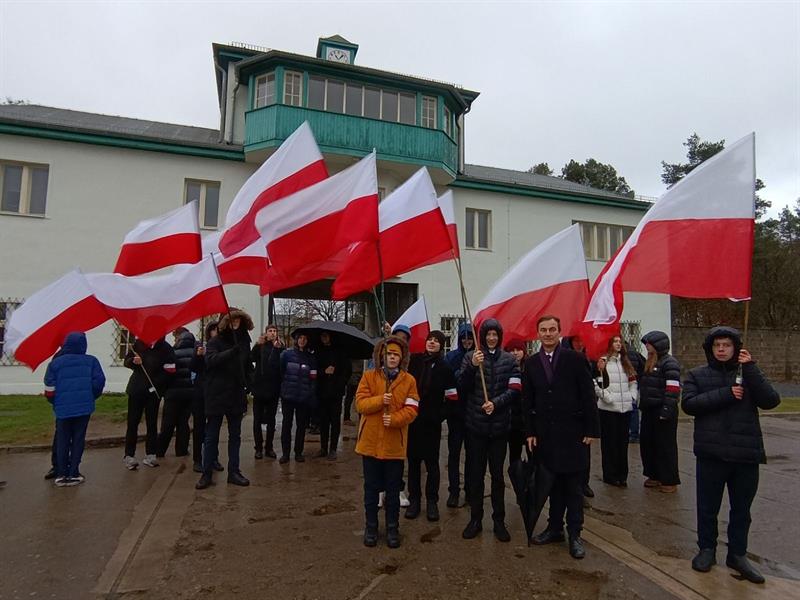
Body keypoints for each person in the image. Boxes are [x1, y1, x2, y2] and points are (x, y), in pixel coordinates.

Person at [682, 326, 780, 584]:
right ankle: (707, 549)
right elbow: (689, 404)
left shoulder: (748, 374)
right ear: (710, 349)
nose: (722, 349)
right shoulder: (697, 375)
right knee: (707, 507)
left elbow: (771, 400)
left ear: (736, 348)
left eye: (727, 345)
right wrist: (725, 394)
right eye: (717, 345)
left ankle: (737, 554)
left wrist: (751, 369)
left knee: (741, 510)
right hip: (712, 454)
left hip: (745, 455)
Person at [525, 315, 599, 559]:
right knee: (553, 485)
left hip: (573, 434)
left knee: (573, 487)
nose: (548, 334)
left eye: (552, 329)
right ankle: (554, 528)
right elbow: (528, 400)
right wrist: (530, 431)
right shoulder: (532, 363)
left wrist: (591, 429)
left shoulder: (575, 359)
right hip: (545, 435)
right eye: (543, 330)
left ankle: (575, 533)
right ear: (538, 333)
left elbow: (588, 395)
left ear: (559, 332)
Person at [459, 318, 521, 543]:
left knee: (497, 476)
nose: (491, 338)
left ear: (499, 336)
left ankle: (498, 521)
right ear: (483, 336)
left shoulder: (509, 360)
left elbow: (515, 389)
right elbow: (462, 386)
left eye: (495, 334)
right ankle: (475, 519)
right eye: (488, 334)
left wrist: (496, 403)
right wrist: (472, 367)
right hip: (476, 428)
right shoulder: (471, 357)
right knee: (476, 476)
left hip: (499, 428)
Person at [355, 336, 419, 548]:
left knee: (393, 491)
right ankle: (371, 527)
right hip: (370, 444)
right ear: (382, 357)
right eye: (389, 354)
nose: (392, 358)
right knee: (371, 490)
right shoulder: (368, 377)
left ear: (401, 359)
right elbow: (360, 404)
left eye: (396, 355)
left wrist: (395, 419)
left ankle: (393, 528)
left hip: (394, 446)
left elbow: (412, 409)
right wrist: (379, 400)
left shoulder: (409, 381)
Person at [196, 309, 253, 489]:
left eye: (238, 320)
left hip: (236, 394)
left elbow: (247, 365)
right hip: (217, 393)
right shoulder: (215, 341)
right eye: (232, 320)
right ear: (225, 323)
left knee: (235, 435)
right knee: (211, 435)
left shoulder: (244, 342)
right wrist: (231, 352)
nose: (235, 323)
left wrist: (250, 383)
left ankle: (234, 472)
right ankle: (206, 473)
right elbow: (211, 361)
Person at [406, 330, 458, 522]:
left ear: (441, 345)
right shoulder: (415, 361)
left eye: (437, 341)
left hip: (432, 424)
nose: (432, 343)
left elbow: (452, 397)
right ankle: (414, 500)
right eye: (430, 339)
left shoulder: (445, 368)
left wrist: (439, 416)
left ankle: (432, 502)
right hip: (412, 421)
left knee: (431, 464)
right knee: (413, 463)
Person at [43, 332, 106, 486]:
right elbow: (99, 382)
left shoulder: (56, 363)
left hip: (62, 408)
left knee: (62, 440)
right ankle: (74, 473)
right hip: (84, 407)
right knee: (78, 439)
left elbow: (49, 388)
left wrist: (55, 401)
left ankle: (61, 473)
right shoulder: (91, 361)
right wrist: (91, 396)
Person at [122, 337, 176, 470]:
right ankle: (129, 455)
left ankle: (151, 454)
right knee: (133, 422)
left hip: (153, 392)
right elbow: (126, 362)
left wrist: (156, 384)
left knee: (152, 423)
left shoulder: (166, 348)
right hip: (136, 390)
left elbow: (170, 370)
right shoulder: (138, 344)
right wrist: (134, 361)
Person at [639, 331, 681, 493]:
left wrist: (666, 410)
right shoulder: (650, 361)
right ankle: (654, 474)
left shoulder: (670, 363)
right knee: (648, 444)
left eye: (649, 344)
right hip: (649, 409)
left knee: (665, 446)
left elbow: (673, 389)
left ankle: (669, 479)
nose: (647, 347)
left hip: (663, 410)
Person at [595, 335, 638, 487]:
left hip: (624, 408)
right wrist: (606, 396)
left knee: (622, 443)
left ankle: (622, 474)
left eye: (620, 341)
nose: (618, 344)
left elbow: (633, 382)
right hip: (608, 409)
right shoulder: (603, 362)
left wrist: (632, 397)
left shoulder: (625, 362)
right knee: (609, 444)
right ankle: (610, 474)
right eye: (615, 341)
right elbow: (596, 383)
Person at [443, 322, 474, 508]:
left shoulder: (478, 357)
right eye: (464, 337)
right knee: (454, 454)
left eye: (470, 337)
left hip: (473, 413)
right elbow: (446, 381)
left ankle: (470, 490)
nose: (467, 341)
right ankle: (453, 491)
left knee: (473, 455)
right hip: (455, 413)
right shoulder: (451, 357)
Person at [562, 335, 596, 499]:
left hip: (583, 414)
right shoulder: (564, 358)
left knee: (584, 452)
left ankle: (584, 483)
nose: (580, 344)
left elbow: (590, 392)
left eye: (582, 340)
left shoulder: (590, 358)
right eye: (577, 341)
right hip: (567, 412)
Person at [157, 327, 195, 458]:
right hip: (190, 392)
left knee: (168, 423)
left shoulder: (173, 352)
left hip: (173, 392)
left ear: (179, 337)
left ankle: (160, 450)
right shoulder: (195, 351)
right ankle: (181, 450)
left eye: (175, 337)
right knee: (183, 423)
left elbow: (167, 372)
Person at [279, 332, 317, 464]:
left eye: (305, 338)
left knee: (301, 426)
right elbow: (281, 372)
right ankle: (285, 453)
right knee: (286, 425)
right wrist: (283, 388)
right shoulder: (286, 354)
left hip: (303, 398)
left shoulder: (311, 358)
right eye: (300, 338)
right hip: (288, 396)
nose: (302, 340)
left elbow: (313, 378)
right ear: (296, 339)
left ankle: (298, 452)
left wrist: (310, 393)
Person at [315, 331, 352, 461]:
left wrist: (340, 381)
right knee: (323, 421)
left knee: (335, 422)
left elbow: (347, 370)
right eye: (322, 336)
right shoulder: (319, 351)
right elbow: (315, 369)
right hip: (322, 391)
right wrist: (323, 372)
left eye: (326, 336)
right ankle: (323, 447)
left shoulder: (341, 352)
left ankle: (333, 449)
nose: (324, 338)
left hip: (336, 392)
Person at [190, 321, 221, 473]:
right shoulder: (200, 347)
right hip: (200, 392)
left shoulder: (220, 348)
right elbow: (193, 367)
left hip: (215, 392)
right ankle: (197, 459)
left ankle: (213, 457)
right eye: (213, 330)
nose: (216, 332)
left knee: (213, 427)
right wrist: (198, 356)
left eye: (218, 330)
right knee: (199, 427)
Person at [250, 324, 284, 459]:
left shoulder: (280, 347)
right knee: (257, 420)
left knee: (271, 420)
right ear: (266, 333)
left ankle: (269, 447)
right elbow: (251, 358)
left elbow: (283, 364)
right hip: (259, 388)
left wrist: (279, 349)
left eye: (275, 331)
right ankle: (258, 447)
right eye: (270, 331)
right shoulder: (261, 346)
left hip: (273, 389)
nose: (273, 333)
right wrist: (257, 345)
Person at [504, 339, 527, 463]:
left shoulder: (530, 367)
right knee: (514, 454)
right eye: (512, 350)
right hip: (512, 419)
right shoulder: (505, 368)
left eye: (518, 350)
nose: (515, 353)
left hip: (528, 418)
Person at [626, 341, 646, 443]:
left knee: (632, 408)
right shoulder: (634, 352)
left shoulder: (626, 354)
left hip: (629, 383)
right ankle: (634, 433)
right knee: (633, 407)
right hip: (635, 383)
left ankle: (633, 433)